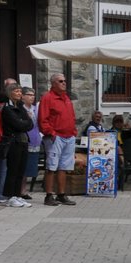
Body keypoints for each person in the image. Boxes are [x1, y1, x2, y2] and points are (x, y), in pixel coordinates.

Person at [38, 73, 78, 206]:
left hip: (68, 136)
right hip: (56, 137)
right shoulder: (47, 98)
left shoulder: (66, 98)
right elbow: (43, 119)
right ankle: (49, 195)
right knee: (51, 167)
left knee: (64, 167)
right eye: (61, 81)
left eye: (65, 81)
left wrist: (73, 132)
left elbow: (71, 116)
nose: (64, 83)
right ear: (53, 83)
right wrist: (51, 133)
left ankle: (61, 194)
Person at [0, 90, 34, 206]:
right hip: (13, 141)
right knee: (13, 169)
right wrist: (24, 123)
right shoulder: (7, 109)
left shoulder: (20, 107)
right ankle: (11, 195)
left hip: (23, 140)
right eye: (16, 91)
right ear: (10, 93)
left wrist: (24, 122)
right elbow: (17, 124)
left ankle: (18, 195)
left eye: (20, 91)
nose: (19, 94)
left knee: (21, 169)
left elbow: (30, 123)